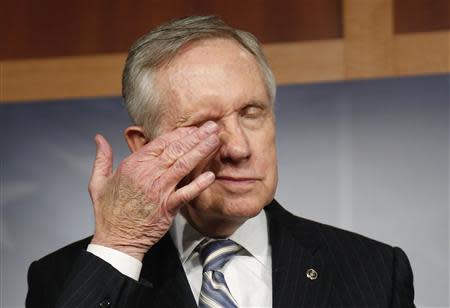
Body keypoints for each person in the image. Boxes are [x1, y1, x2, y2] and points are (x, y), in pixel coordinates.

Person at [26, 16, 415, 308]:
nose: (239, 148)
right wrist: (119, 247)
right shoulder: (63, 279)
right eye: (204, 125)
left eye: (251, 112)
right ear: (145, 147)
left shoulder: (375, 271)